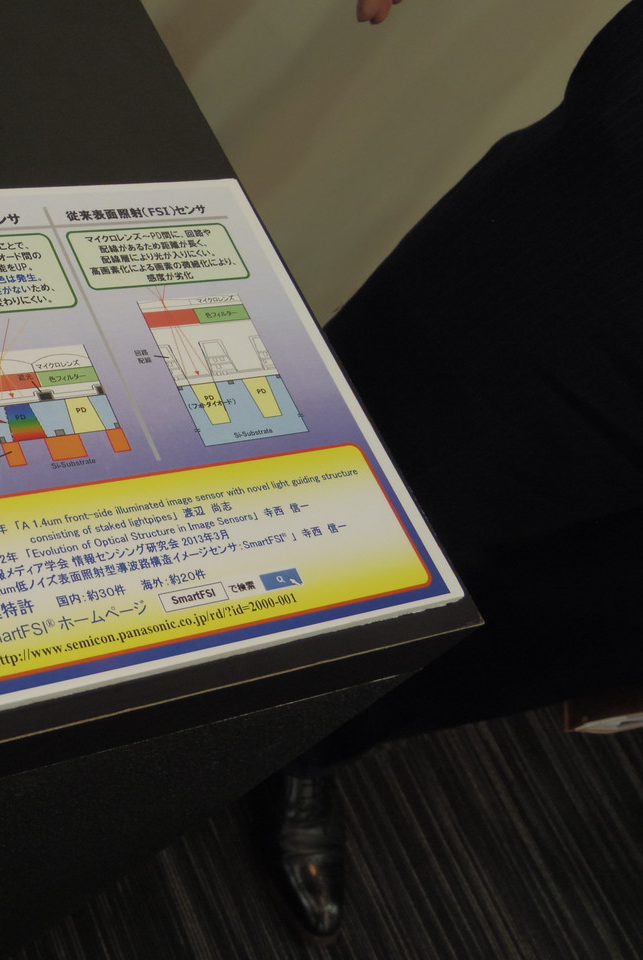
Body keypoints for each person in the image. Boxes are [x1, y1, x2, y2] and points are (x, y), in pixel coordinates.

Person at [266, 0, 643, 941]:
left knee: (563, 621)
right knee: (364, 502)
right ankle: (106, 735)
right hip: (614, 236)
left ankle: (309, 742)